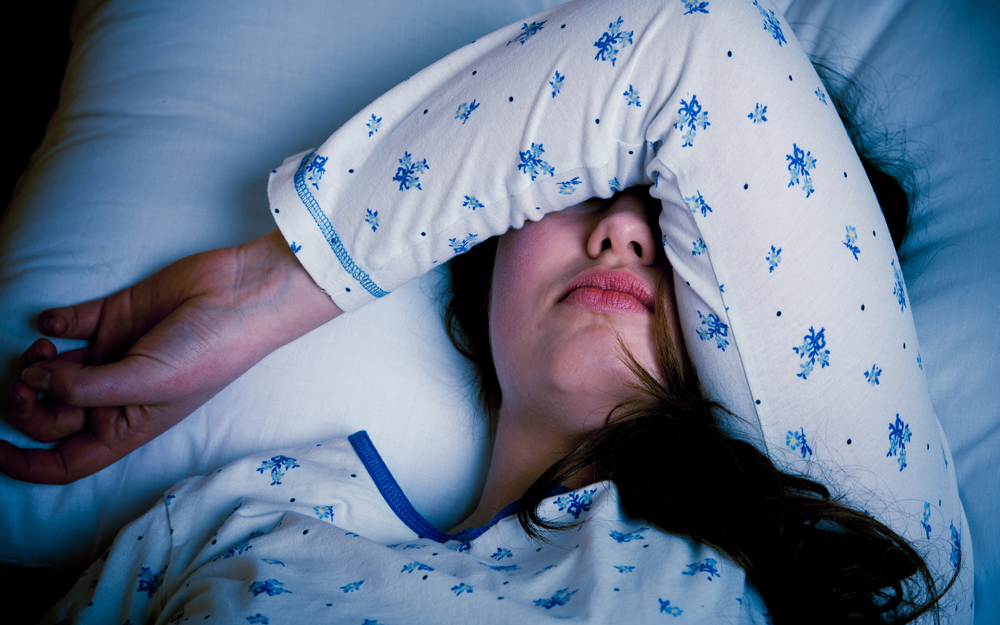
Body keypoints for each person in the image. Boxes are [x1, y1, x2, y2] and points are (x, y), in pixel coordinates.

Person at [6, 0, 969, 622]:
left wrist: (264, 289)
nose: (624, 235)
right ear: (479, 244)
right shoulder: (235, 519)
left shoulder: (854, 544)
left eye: (683, 235)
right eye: (586, 192)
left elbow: (702, 45)